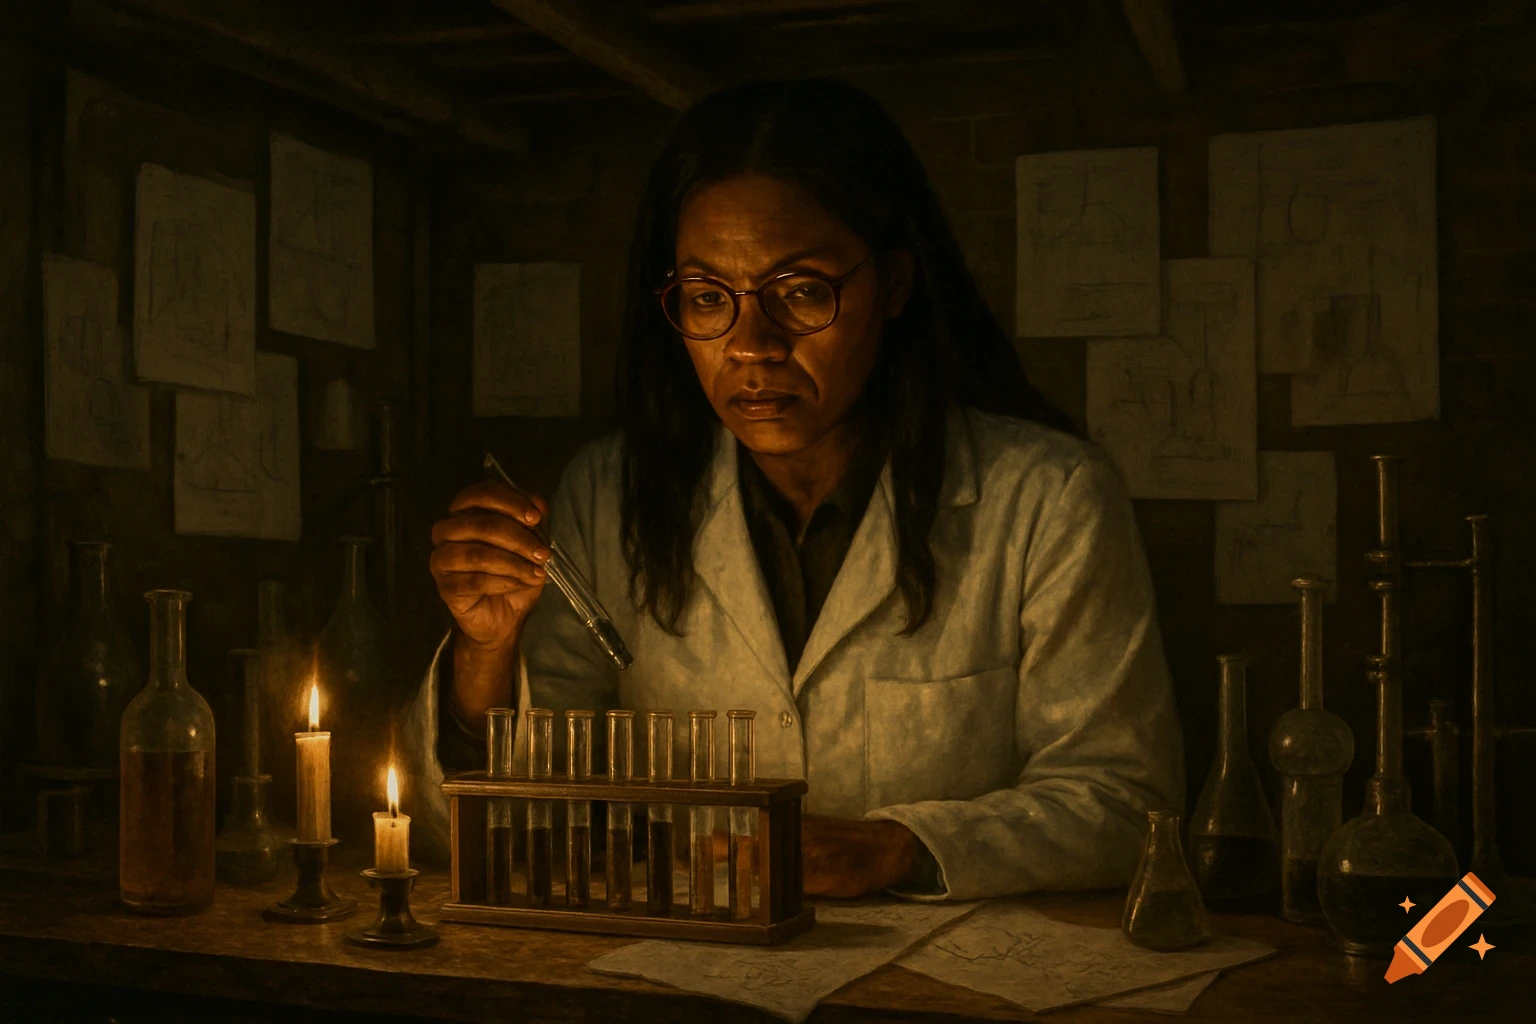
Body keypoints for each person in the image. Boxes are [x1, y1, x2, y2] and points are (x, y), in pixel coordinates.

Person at [403, 79, 1183, 901]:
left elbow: (1128, 806)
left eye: (803, 291)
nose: (752, 346)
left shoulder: (1048, 499)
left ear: (894, 284)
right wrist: (484, 653)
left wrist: (894, 849)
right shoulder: (615, 495)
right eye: (708, 299)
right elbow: (515, 825)